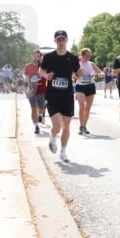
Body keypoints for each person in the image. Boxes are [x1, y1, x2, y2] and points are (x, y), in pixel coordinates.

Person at [40, 30, 83, 163]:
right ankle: (53, 137)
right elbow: (40, 70)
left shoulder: (73, 58)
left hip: (67, 96)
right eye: (58, 39)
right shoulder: (48, 57)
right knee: (57, 125)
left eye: (63, 39)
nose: (61, 41)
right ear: (55, 41)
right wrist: (46, 76)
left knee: (66, 127)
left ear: (67, 40)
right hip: (52, 95)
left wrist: (78, 75)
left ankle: (63, 152)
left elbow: (76, 75)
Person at [75, 48, 103, 135]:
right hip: (80, 87)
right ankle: (80, 125)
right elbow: (73, 77)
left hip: (90, 87)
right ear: (82, 55)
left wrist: (96, 74)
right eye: (87, 55)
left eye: (89, 55)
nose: (88, 57)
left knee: (87, 109)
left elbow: (102, 73)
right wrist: (79, 74)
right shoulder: (77, 64)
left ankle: (84, 126)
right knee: (82, 106)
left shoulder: (91, 64)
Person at [24, 50, 47, 135]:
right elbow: (26, 79)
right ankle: (36, 126)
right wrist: (26, 88)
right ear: (32, 56)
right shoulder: (28, 66)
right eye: (35, 56)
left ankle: (41, 116)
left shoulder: (44, 66)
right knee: (33, 109)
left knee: (41, 109)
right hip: (32, 91)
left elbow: (48, 76)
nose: (36, 57)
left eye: (38, 56)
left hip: (42, 91)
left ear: (40, 57)